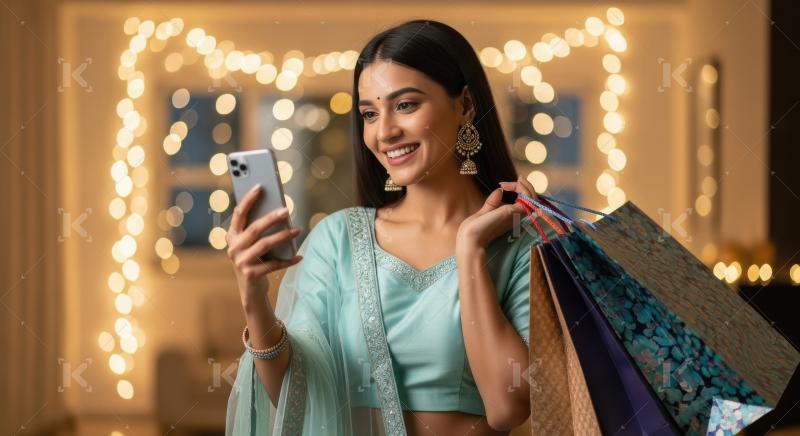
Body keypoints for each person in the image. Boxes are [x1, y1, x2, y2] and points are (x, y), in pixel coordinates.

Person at [225, 19, 556, 436]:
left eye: (405, 105)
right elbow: (292, 396)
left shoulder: (521, 244)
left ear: (466, 106)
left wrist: (470, 251)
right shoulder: (337, 239)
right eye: (369, 113)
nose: (385, 132)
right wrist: (254, 299)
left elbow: (508, 407)